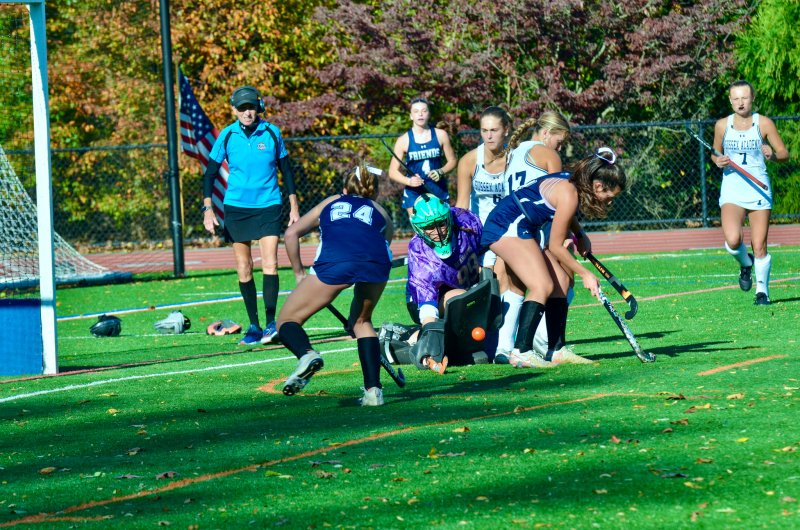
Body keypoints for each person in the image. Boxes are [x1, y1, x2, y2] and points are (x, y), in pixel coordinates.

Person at [481, 148, 626, 368]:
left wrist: (580, 235)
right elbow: (557, 247)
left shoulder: (574, 184)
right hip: (505, 226)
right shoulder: (569, 193)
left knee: (562, 281)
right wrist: (585, 273)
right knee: (542, 285)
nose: (609, 202)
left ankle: (556, 349)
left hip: (523, 226)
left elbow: (565, 216)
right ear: (598, 186)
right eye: (610, 196)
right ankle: (521, 351)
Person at [276, 162, 393, 406]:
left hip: (335, 263)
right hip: (377, 263)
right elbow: (382, 245)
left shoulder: (330, 202)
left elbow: (290, 234)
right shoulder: (381, 212)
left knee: (287, 321)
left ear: (344, 189)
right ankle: (374, 392)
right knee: (362, 322)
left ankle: (307, 355)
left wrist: (299, 273)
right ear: (373, 191)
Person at [202, 86, 300, 346]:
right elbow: (209, 174)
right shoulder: (226, 135)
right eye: (242, 108)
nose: (248, 112)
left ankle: (270, 324)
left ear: (259, 108)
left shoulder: (271, 132)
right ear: (234, 110)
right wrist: (208, 209)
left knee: (271, 263)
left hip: (268, 204)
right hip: (236, 208)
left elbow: (287, 171)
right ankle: (254, 326)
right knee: (244, 267)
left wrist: (294, 206)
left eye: (251, 107)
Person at [491, 111, 572, 364]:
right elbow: (559, 197)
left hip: (507, 224)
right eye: (559, 142)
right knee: (559, 280)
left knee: (514, 286)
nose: (560, 148)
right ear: (546, 133)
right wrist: (566, 236)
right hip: (529, 228)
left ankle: (503, 348)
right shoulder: (548, 154)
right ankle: (542, 345)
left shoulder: (513, 153)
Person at [711, 80, 789, 305]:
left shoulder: (763, 123)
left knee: (759, 244)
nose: (740, 102)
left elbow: (784, 153)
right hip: (733, 188)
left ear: (752, 98)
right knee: (733, 239)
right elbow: (715, 153)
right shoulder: (722, 125)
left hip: (759, 188)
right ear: (730, 100)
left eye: (744, 97)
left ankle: (762, 292)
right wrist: (719, 160)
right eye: (735, 98)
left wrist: (772, 155)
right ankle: (746, 264)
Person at [405, 194, 485, 373]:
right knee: (460, 300)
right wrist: (430, 338)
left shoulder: (466, 221)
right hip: (429, 298)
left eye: (440, 224)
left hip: (465, 283)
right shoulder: (420, 253)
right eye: (429, 227)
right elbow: (427, 302)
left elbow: (488, 250)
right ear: (418, 228)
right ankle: (412, 338)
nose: (438, 232)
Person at [387, 97, 457, 214]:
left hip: (437, 189)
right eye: (416, 111)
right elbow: (392, 172)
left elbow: (453, 161)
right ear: (411, 116)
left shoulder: (441, 135)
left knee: (443, 228)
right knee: (420, 228)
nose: (420, 114)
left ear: (429, 114)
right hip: (414, 192)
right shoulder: (403, 140)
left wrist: (441, 171)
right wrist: (409, 181)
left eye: (424, 111)